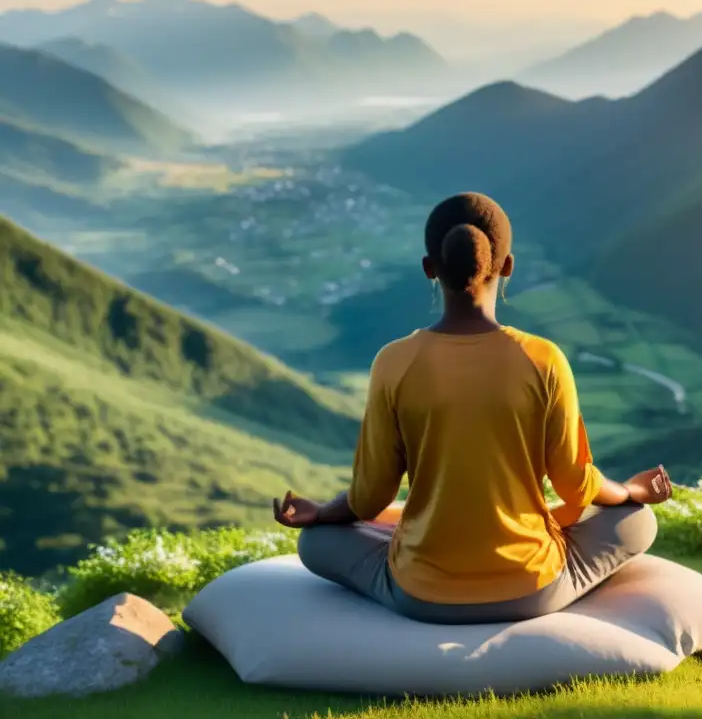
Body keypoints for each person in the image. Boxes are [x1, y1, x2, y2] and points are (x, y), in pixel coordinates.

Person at [271, 192, 673, 625]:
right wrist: (631, 492)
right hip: (531, 587)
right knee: (636, 521)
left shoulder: (394, 361)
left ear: (429, 268)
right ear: (507, 266)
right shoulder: (543, 358)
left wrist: (322, 514)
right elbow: (576, 484)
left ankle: (411, 543)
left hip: (421, 594)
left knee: (316, 543)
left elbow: (369, 498)